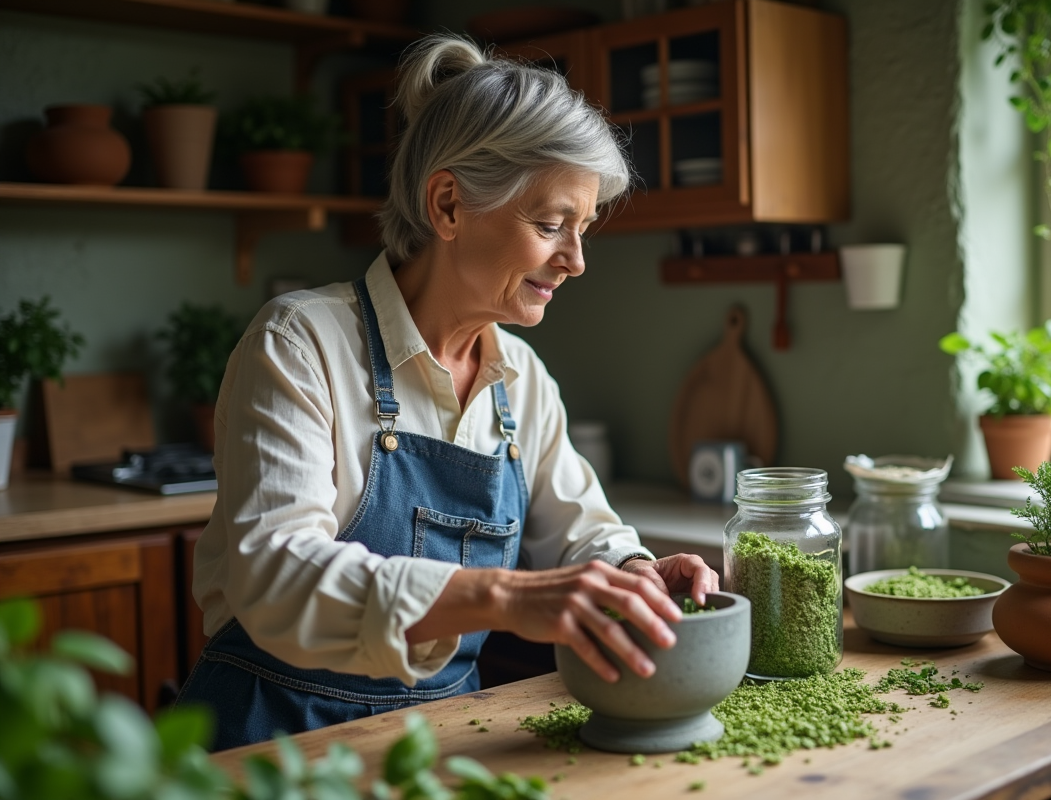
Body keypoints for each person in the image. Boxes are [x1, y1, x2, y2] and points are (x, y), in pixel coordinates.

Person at [177, 34, 720, 751]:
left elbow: (580, 529)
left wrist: (633, 570)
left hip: (436, 741)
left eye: (583, 230)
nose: (576, 260)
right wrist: (504, 597)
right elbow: (279, 576)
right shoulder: (299, 342)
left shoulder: (520, 379)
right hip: (271, 742)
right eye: (552, 224)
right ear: (448, 205)